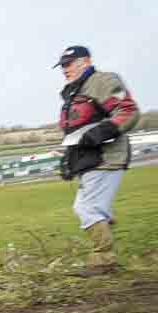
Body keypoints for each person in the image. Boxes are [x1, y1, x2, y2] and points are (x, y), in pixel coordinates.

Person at [54, 45, 140, 277]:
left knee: (88, 208)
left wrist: (103, 131)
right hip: (88, 159)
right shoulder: (73, 92)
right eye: (62, 65)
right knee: (86, 208)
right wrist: (68, 160)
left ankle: (104, 260)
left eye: (68, 64)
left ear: (85, 61)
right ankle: (107, 244)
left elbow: (128, 110)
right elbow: (77, 132)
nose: (64, 70)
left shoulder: (103, 81)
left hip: (107, 156)